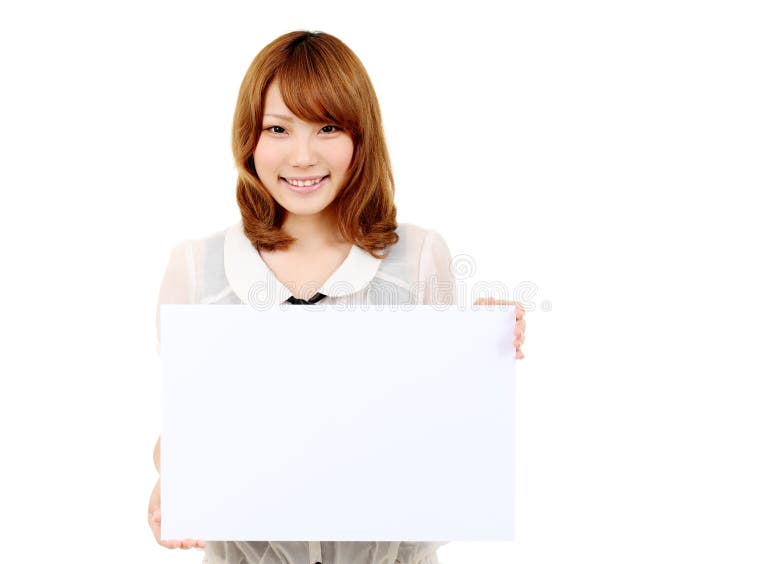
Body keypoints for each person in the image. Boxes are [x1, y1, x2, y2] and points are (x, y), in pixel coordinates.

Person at [147, 30, 527, 564]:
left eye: (328, 127)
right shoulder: (197, 269)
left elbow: (437, 432)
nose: (302, 156)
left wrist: (481, 352)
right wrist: (172, 483)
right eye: (278, 128)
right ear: (249, 140)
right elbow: (187, 431)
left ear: (360, 137)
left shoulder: (417, 256)